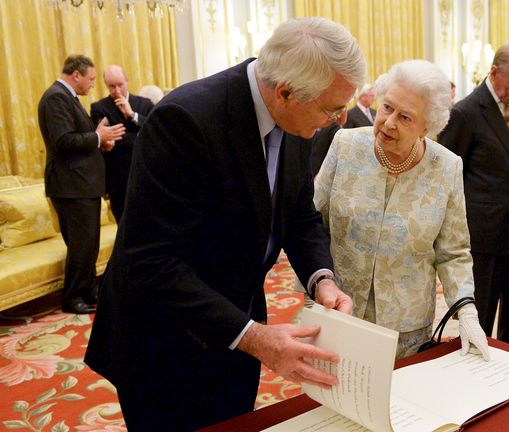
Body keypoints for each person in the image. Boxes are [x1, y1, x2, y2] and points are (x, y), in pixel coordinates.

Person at [84, 17, 364, 430]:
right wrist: (254, 337)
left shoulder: (298, 119)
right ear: (285, 92)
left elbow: (300, 215)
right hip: (163, 342)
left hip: (238, 322)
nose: (341, 119)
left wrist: (322, 279)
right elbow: (150, 262)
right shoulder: (185, 119)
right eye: (333, 108)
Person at [312, 60, 489, 361]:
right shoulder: (345, 145)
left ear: (427, 127)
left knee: (399, 404)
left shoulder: (447, 168)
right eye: (387, 107)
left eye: (405, 117)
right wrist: (317, 282)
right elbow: (313, 224)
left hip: (405, 330)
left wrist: (466, 309)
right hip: (338, 311)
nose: (389, 122)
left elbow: (453, 252)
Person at [439, 41, 509, 348]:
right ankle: (476, 376)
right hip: (485, 237)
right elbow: (447, 175)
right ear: (494, 73)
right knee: (479, 318)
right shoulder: (466, 112)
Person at [37, 54, 125, 315]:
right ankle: (73, 297)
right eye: (91, 79)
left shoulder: (69, 98)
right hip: (70, 185)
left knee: (89, 244)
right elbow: (63, 141)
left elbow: (81, 138)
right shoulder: (55, 97)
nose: (92, 85)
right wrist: (98, 136)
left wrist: (101, 140)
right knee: (80, 245)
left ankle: (88, 291)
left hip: (82, 184)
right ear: (76, 75)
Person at [90, 65, 154, 222]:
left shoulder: (145, 104)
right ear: (106, 85)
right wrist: (140, 135)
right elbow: (106, 139)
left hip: (145, 175)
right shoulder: (99, 108)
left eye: (120, 84)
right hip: (118, 180)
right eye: (112, 86)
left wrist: (132, 115)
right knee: (124, 227)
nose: (117, 90)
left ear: (127, 81)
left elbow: (154, 131)